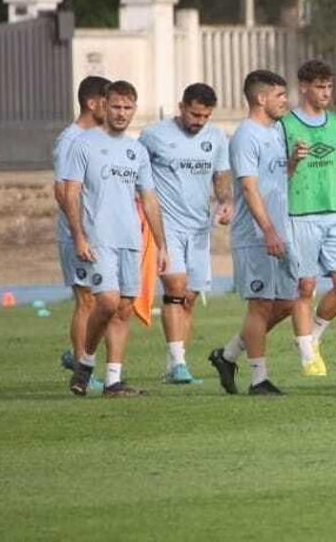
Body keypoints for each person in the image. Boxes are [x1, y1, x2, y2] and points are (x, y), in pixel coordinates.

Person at [62, 80, 168, 397]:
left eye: (127, 107)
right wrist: (78, 236)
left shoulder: (136, 150)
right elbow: (71, 193)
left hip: (129, 239)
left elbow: (149, 198)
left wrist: (162, 245)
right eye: (116, 106)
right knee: (106, 301)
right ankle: (85, 362)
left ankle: (113, 381)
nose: (122, 113)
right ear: (105, 106)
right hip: (98, 239)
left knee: (123, 309)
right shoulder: (83, 144)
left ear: (134, 109)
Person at [208, 70, 296, 396]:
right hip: (255, 236)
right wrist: (268, 229)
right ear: (261, 98)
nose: (286, 101)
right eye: (280, 95)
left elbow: (276, 179)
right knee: (260, 305)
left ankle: (228, 355)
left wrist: (294, 163)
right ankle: (259, 379)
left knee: (288, 302)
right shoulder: (245, 136)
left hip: (278, 232)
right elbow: (247, 187)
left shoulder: (275, 132)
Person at [139, 82, 231, 384]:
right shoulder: (154, 135)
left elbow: (220, 176)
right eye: (194, 115)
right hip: (166, 227)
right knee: (176, 287)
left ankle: (174, 363)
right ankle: (179, 365)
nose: (199, 122)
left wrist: (224, 201)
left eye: (205, 116)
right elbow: (138, 176)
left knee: (190, 296)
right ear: (181, 107)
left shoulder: (216, 138)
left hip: (199, 227)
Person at [283, 60, 336, 377]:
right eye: (319, 86)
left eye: (329, 86)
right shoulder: (284, 125)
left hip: (335, 214)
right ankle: (306, 357)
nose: (326, 92)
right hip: (300, 214)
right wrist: (293, 161)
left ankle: (313, 336)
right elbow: (275, 176)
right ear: (303, 87)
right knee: (305, 286)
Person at [53, 75, 110, 392]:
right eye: (107, 101)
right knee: (86, 301)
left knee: (104, 300)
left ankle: (78, 356)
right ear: (92, 103)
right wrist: (78, 235)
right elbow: (62, 191)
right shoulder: (71, 140)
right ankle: (83, 371)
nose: (114, 108)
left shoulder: (96, 138)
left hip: (99, 235)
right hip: (79, 237)